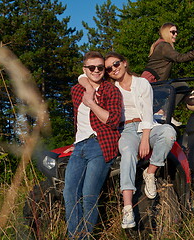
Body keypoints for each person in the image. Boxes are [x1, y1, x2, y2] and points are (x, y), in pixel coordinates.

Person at [79, 52, 176, 229]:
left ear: (124, 63)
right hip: (126, 129)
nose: (113, 69)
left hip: (148, 126)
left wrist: (145, 138)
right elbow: (82, 75)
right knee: (128, 152)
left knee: (169, 132)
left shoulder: (142, 83)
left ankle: (151, 172)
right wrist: (89, 86)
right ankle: (128, 208)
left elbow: (147, 111)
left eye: (116, 64)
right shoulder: (110, 87)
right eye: (108, 68)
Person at [63, 51, 123, 239]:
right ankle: (76, 237)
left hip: (100, 144)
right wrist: (75, 142)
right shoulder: (76, 90)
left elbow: (113, 121)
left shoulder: (111, 90)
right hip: (79, 145)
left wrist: (91, 103)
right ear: (85, 69)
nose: (96, 71)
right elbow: (78, 118)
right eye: (92, 67)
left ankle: (86, 237)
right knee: (70, 193)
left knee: (89, 195)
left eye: (100, 67)